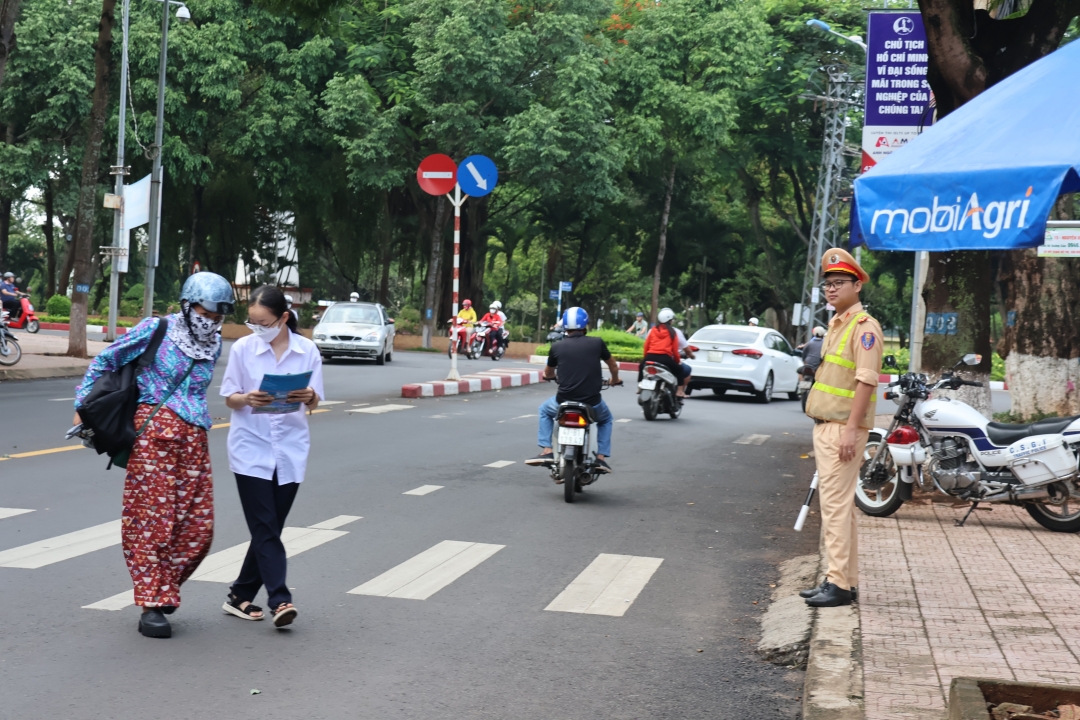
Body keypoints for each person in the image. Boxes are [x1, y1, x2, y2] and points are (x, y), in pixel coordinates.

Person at [73, 272, 235, 639]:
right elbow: (106, 362)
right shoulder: (156, 329)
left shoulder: (213, 343)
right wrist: (82, 406)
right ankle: (152, 603)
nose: (212, 319)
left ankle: (163, 586)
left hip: (194, 438)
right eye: (207, 311)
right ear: (188, 303)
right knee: (152, 522)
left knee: (198, 527)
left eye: (219, 314)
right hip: (154, 436)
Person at [221, 285, 324, 628]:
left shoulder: (307, 350)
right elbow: (229, 398)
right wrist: (248, 398)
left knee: (270, 527)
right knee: (265, 526)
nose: (256, 328)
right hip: (250, 447)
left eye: (263, 322)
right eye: (251, 321)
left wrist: (308, 395)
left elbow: (315, 400)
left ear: (283, 318)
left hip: (290, 449)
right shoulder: (243, 349)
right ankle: (280, 598)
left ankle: (239, 595)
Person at [801, 249, 882, 608]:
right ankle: (843, 580)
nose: (831, 290)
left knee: (834, 506)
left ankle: (839, 585)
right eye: (828, 285)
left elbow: (866, 380)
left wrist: (851, 430)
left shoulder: (865, 328)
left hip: (840, 429)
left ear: (857, 285)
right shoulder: (838, 324)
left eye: (839, 283)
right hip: (826, 426)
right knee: (841, 508)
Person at [525, 307, 621, 473]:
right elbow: (612, 364)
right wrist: (615, 379)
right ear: (585, 326)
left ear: (565, 327)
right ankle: (601, 458)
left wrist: (549, 377)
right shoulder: (597, 343)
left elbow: (548, 372)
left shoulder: (557, 347)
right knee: (606, 419)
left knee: (544, 411)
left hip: (563, 401)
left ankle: (547, 450)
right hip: (592, 403)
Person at [640, 308, 690, 397]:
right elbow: (675, 350)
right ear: (670, 320)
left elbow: (646, 346)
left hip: (650, 356)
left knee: (641, 366)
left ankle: (639, 387)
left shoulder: (653, 330)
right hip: (665, 358)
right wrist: (677, 361)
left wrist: (645, 358)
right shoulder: (672, 332)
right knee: (680, 370)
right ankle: (679, 391)